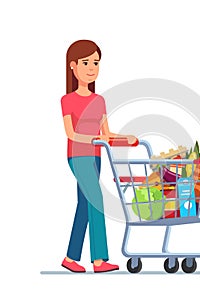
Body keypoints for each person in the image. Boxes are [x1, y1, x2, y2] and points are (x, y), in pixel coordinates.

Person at [60, 40, 137, 273]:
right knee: (97, 201)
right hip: (78, 156)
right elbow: (70, 133)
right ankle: (99, 259)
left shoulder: (98, 100)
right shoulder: (67, 100)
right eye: (86, 63)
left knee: (84, 204)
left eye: (96, 62)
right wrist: (94, 140)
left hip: (95, 157)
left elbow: (107, 134)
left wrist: (126, 139)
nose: (92, 68)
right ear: (73, 66)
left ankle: (70, 258)